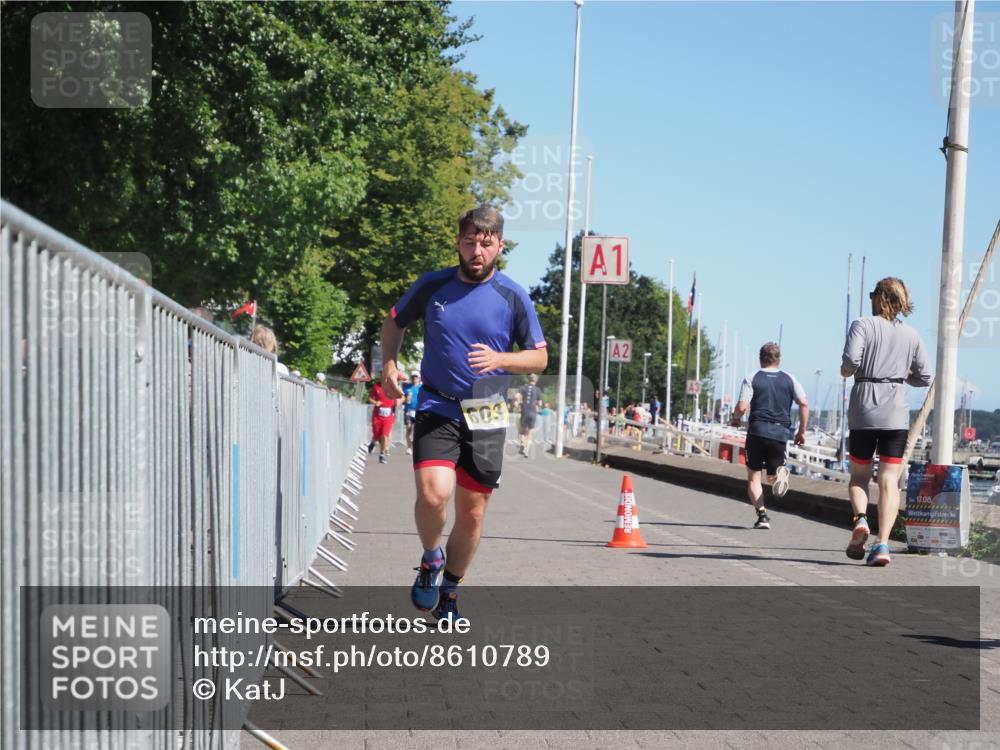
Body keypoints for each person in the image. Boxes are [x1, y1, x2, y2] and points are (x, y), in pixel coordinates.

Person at [379, 206, 546, 622]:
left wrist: (500, 358)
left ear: (499, 246)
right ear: (458, 242)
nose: (476, 251)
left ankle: (449, 594)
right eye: (469, 242)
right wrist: (388, 364)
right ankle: (431, 559)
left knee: (472, 512)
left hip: (487, 409)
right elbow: (394, 321)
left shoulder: (513, 295)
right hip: (437, 403)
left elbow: (539, 358)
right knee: (434, 495)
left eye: (485, 244)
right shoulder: (433, 285)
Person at [841, 277, 932, 566]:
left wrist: (848, 370)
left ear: (880, 297)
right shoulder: (912, 335)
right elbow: (926, 376)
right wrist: (902, 376)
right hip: (896, 412)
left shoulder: (863, 325)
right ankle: (882, 544)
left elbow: (850, 361)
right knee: (889, 481)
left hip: (865, 409)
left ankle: (860, 520)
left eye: (872, 295)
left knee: (858, 477)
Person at [730, 342, 809, 530]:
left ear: (760, 359)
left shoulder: (752, 378)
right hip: (780, 432)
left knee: (754, 476)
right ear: (779, 359)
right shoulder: (790, 379)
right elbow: (804, 404)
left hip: (757, 430)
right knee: (772, 476)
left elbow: (742, 407)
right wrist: (802, 431)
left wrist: (735, 418)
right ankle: (778, 474)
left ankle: (762, 516)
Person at [368, 375, 400, 464]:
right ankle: (373, 443)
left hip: (388, 416)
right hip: (377, 416)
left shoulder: (393, 387)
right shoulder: (376, 387)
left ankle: (382, 455)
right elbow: (370, 398)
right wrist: (375, 402)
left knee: (385, 435)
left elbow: (399, 397)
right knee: (376, 435)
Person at [518, 374, 541, 456]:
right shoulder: (538, 390)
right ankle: (527, 450)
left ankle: (523, 444)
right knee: (530, 432)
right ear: (536, 381)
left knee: (523, 431)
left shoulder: (523, 387)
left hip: (524, 410)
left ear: (528, 380)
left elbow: (518, 396)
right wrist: (538, 409)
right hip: (533, 411)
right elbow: (539, 403)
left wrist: (519, 404)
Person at [402, 372, 423, 455]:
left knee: (416, 430)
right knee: (408, 428)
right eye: (413, 377)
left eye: (416, 377)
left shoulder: (421, 387)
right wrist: (405, 399)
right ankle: (409, 447)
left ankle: (415, 447)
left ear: (419, 378)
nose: (414, 378)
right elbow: (402, 397)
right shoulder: (407, 387)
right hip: (408, 411)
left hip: (418, 411)